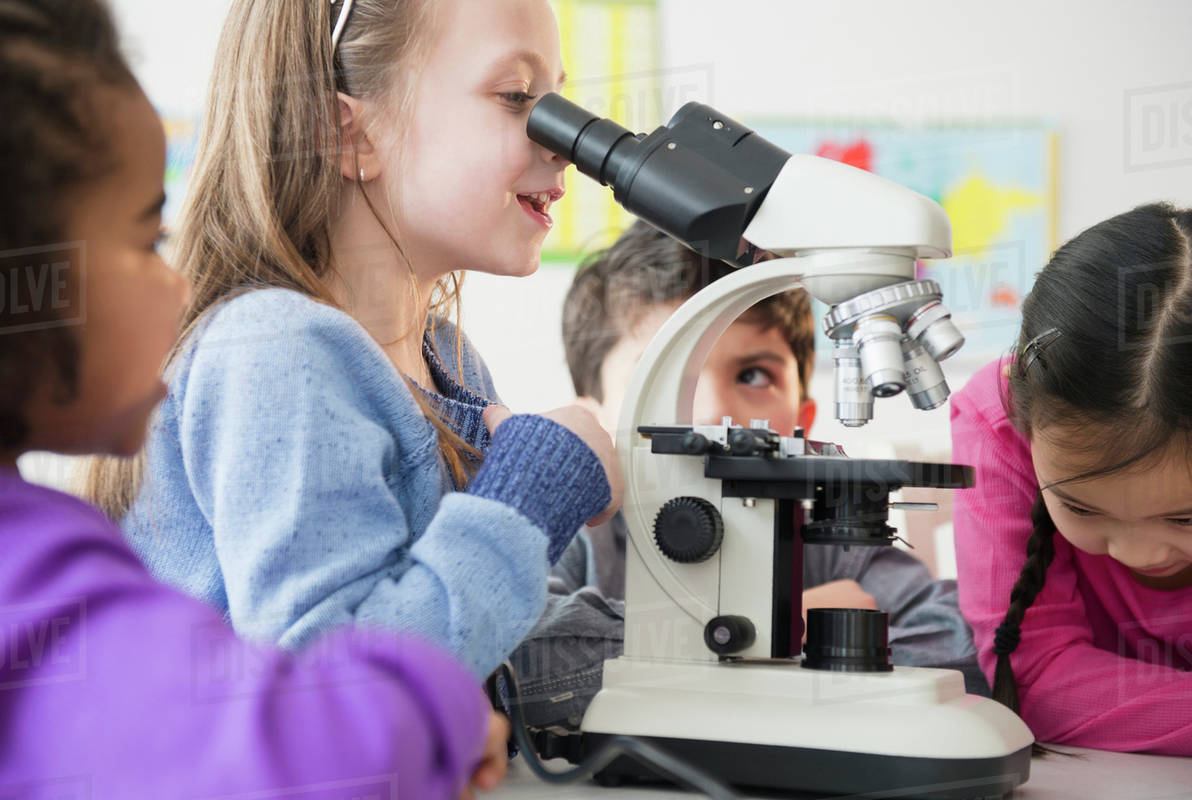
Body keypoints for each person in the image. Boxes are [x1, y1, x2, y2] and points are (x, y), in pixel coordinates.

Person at [0, 1, 509, 796]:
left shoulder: (39, 549)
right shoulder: (26, 580)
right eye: (143, 239)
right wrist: (442, 708)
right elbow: (326, 756)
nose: (178, 285)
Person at [82, 0, 621, 682]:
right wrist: (535, 490)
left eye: (559, 100)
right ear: (349, 135)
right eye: (517, 97)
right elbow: (333, 694)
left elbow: (488, 633)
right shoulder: (274, 352)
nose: (564, 140)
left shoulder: (447, 358)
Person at [510, 220, 987, 731]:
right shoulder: (582, 538)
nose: (716, 411)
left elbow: (963, 649)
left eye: (753, 375)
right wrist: (781, 632)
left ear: (803, 422)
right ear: (598, 426)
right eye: (669, 376)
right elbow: (516, 654)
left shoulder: (835, 545)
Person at [952, 203, 1192, 755]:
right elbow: (1034, 680)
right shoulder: (998, 423)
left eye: (1183, 516)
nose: (1139, 553)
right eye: (1083, 508)